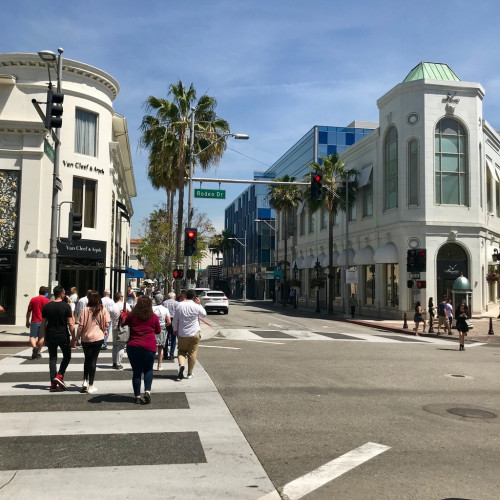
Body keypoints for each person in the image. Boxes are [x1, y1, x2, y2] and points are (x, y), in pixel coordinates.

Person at [122, 295, 161, 404]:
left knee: (136, 372)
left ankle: (137, 396)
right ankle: (147, 391)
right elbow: (158, 331)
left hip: (134, 346)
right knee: (148, 369)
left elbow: (123, 323)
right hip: (149, 346)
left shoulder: (132, 315)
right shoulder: (153, 317)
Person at [41, 286, 75, 391]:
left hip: (50, 334)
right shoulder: (66, 306)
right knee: (67, 356)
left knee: (52, 358)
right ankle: (60, 375)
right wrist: (74, 337)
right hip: (63, 334)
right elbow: (70, 323)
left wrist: (44, 337)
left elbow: (43, 324)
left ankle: (53, 383)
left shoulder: (47, 306)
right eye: (64, 293)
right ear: (61, 294)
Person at [76, 291, 110, 394]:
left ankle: (84, 381)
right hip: (98, 337)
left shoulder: (85, 310)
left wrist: (76, 337)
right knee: (93, 361)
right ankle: (91, 385)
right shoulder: (102, 309)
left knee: (87, 359)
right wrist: (104, 330)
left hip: (86, 338)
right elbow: (107, 324)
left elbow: (80, 326)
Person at [173, 289, 207, 381]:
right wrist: (200, 304)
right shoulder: (196, 306)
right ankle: (189, 373)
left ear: (186, 296)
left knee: (181, 351)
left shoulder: (180, 305)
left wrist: (175, 329)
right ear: (194, 297)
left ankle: (181, 365)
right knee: (192, 353)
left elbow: (175, 319)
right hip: (194, 332)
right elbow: (204, 315)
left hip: (182, 333)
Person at [26, 286, 50, 359]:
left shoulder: (33, 299)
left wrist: (27, 321)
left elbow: (29, 311)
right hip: (43, 321)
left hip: (34, 321)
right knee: (41, 337)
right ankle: (38, 352)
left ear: (39, 291)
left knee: (32, 337)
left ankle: (34, 347)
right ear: (45, 293)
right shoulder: (48, 301)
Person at [110, 291, 131, 369]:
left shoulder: (112, 306)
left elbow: (109, 317)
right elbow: (131, 314)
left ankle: (114, 362)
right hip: (123, 327)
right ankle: (118, 363)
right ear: (121, 298)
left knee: (115, 345)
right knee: (121, 345)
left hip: (114, 327)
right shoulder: (126, 305)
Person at [152, 294, 171, 371]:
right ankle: (159, 366)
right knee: (160, 348)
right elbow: (169, 321)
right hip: (162, 328)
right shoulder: (165, 309)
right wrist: (165, 325)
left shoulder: (151, 308)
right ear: (162, 300)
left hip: (152, 328)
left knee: (152, 347)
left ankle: (150, 364)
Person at [163, 292, 180, 360]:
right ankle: (171, 354)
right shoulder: (177, 303)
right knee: (173, 338)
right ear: (174, 297)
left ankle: (165, 354)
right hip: (174, 320)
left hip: (166, 320)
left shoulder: (164, 303)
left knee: (165, 338)